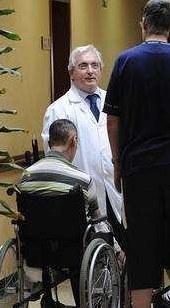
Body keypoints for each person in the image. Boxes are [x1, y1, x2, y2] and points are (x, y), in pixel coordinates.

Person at [103, 0, 170, 308]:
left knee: (141, 243)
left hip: (140, 166)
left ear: (143, 24)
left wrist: (117, 162)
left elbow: (114, 120)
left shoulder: (125, 61)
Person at [41, 45, 124, 247]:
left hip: (116, 190)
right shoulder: (58, 109)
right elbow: (53, 159)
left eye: (95, 65)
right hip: (81, 198)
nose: (90, 71)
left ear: (101, 70)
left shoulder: (115, 101)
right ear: (71, 72)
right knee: (89, 257)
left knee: (125, 251)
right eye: (83, 66)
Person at [20, 119, 101, 308]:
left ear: (49, 144)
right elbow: (96, 217)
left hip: (35, 249)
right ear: (73, 141)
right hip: (72, 251)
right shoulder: (83, 180)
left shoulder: (26, 175)